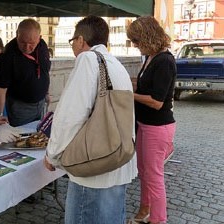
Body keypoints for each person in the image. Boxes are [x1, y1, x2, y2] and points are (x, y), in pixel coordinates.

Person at [43, 15, 138, 224]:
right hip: (117, 159)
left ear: (80, 40)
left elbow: (70, 116)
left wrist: (53, 155)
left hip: (93, 167)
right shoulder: (116, 64)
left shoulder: (88, 59)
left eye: (72, 42)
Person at [126, 16, 177, 224]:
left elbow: (157, 101)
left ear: (147, 38)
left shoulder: (164, 61)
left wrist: (127, 95)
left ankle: (159, 220)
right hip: (145, 124)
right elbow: (145, 86)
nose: (135, 45)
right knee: (144, 173)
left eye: (136, 41)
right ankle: (144, 211)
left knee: (154, 177)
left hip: (158, 127)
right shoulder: (151, 57)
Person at [0, 18, 51, 127]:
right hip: (20, 108)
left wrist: (46, 93)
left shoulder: (42, 45)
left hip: (42, 103)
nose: (27, 47)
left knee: (40, 137)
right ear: (17, 35)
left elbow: (45, 70)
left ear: (39, 38)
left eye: (32, 43)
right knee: (22, 140)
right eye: (23, 42)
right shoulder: (7, 54)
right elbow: (0, 88)